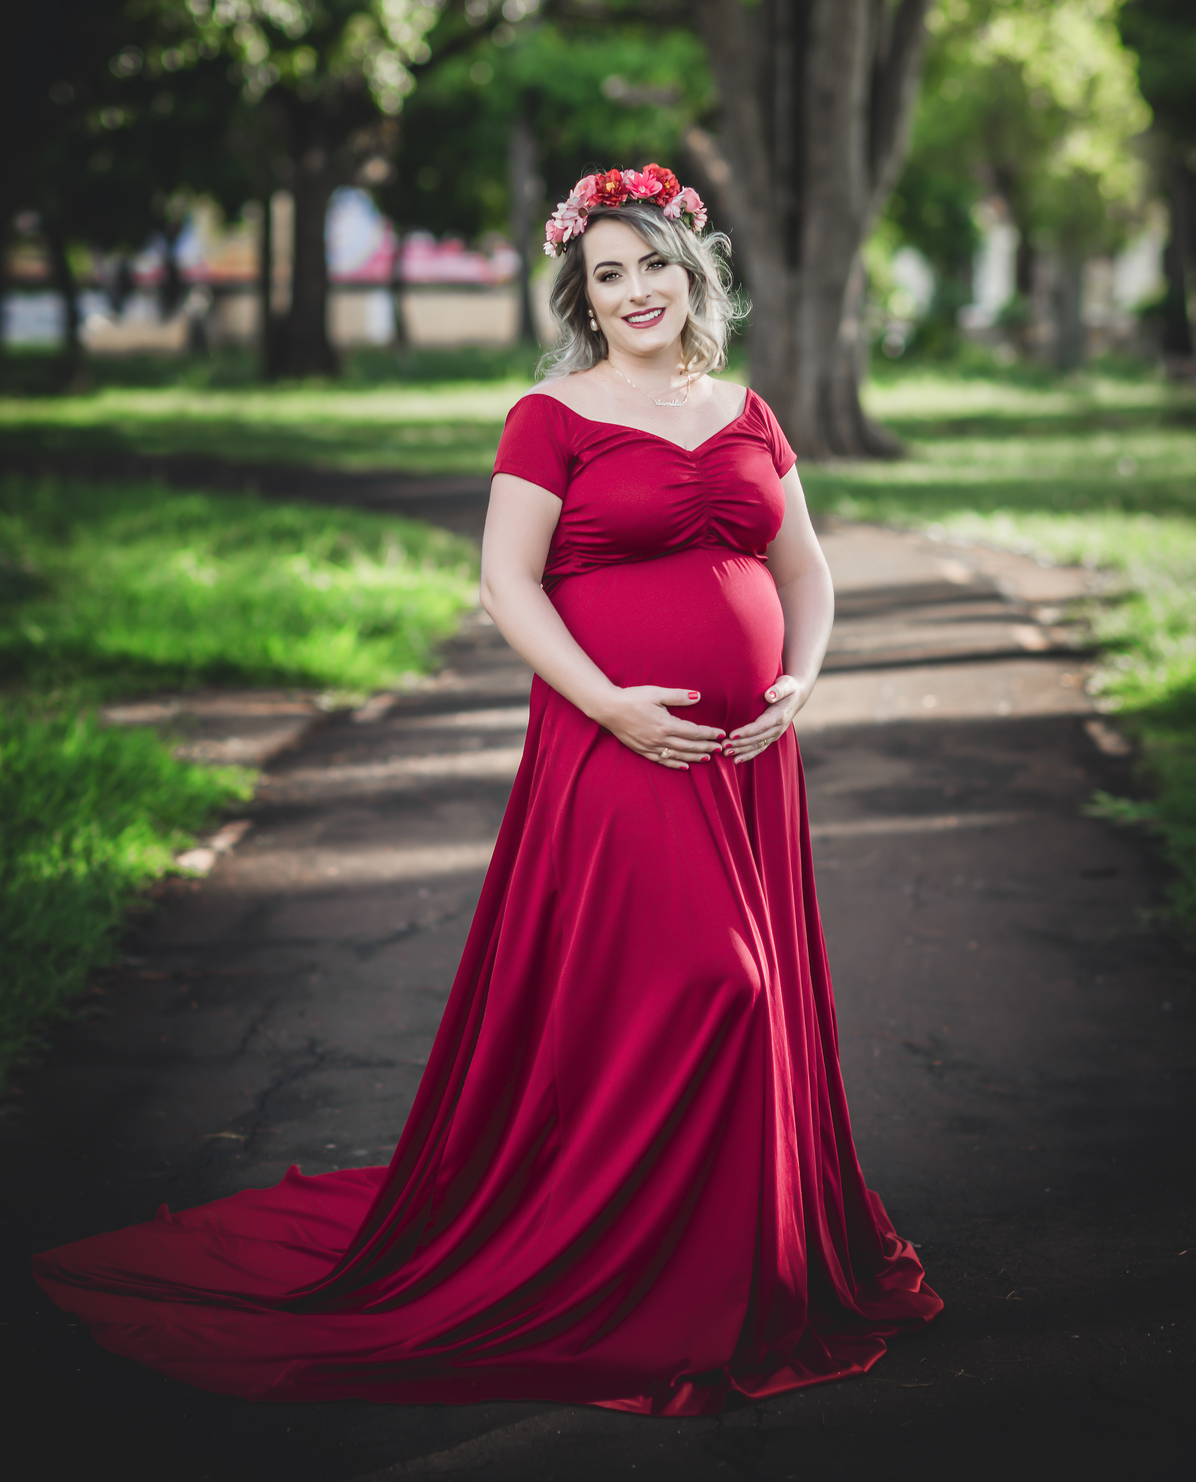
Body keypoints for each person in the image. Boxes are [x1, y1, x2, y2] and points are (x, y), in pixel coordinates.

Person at [33, 165, 940, 1413]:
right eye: (606, 273)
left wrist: (803, 676)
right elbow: (508, 585)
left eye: (653, 265)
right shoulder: (549, 415)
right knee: (715, 985)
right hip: (613, 743)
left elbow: (809, 569)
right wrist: (609, 701)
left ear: (694, 271)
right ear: (581, 291)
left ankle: (742, 1261)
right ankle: (644, 1279)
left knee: (728, 997)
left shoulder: (747, 409)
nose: (635, 291)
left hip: (745, 758)